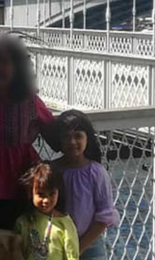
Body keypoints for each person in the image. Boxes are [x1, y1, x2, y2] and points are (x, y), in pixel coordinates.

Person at [0, 32, 58, 238]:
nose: (0, 68)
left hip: (21, 187)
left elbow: (57, 137)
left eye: (7, 62)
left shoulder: (30, 101)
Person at [52, 110, 119, 260]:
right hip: (57, 244)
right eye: (66, 137)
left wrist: (78, 249)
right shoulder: (52, 170)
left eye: (78, 136)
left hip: (90, 246)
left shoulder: (96, 173)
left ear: (87, 138)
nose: (72, 142)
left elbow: (104, 217)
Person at [14, 163, 79, 260]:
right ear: (30, 191)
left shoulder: (65, 223)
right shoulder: (23, 222)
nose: (46, 200)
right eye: (41, 194)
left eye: (51, 194)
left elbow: (72, 255)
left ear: (58, 192)